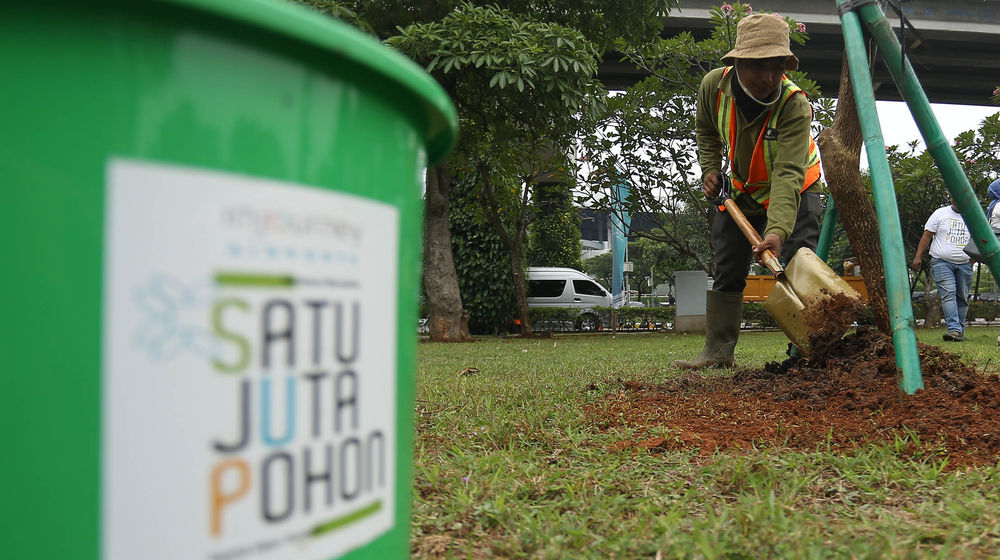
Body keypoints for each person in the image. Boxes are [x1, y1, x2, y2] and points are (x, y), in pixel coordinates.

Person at [676, 13, 824, 369]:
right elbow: (706, 131)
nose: (769, 78)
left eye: (778, 68)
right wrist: (710, 168)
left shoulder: (793, 103)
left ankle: (810, 352)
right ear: (738, 62)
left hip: (796, 188)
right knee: (727, 267)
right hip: (742, 190)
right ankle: (718, 353)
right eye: (760, 67)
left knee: (802, 264)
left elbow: (788, 172)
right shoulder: (714, 86)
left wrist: (775, 231)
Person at [911, 195, 973, 341]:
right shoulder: (940, 213)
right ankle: (954, 329)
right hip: (941, 262)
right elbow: (926, 236)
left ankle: (959, 331)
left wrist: (976, 257)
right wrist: (918, 256)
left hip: (965, 263)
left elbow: (979, 237)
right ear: (950, 198)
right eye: (953, 196)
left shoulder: (972, 216)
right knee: (949, 293)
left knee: (963, 298)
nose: (955, 198)